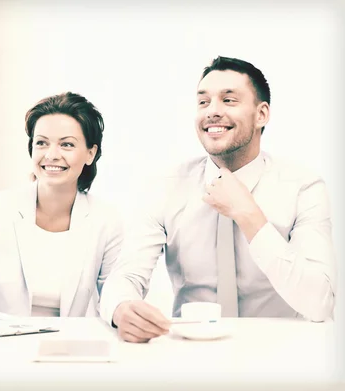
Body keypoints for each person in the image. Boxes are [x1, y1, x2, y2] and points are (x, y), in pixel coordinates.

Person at [100, 56, 336, 343]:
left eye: (228, 100)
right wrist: (122, 308)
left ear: (261, 114)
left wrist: (249, 214)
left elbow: (319, 303)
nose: (212, 111)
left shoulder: (304, 188)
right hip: (193, 354)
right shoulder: (165, 188)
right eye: (203, 102)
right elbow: (125, 275)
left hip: (282, 352)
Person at [0, 92, 123, 317]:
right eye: (42, 143)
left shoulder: (106, 221)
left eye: (67, 145)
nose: (51, 155)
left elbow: (117, 301)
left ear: (90, 154)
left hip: (70, 347)